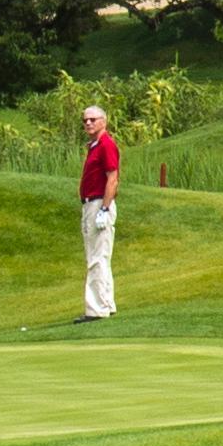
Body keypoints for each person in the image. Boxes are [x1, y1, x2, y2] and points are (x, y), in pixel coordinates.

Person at [75, 102, 122, 323]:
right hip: (90, 204)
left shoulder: (106, 145)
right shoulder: (94, 145)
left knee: (97, 258)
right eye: (85, 120)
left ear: (104, 121)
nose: (88, 123)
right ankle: (107, 304)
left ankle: (96, 310)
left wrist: (104, 208)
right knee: (100, 257)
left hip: (98, 205)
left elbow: (112, 178)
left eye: (93, 119)